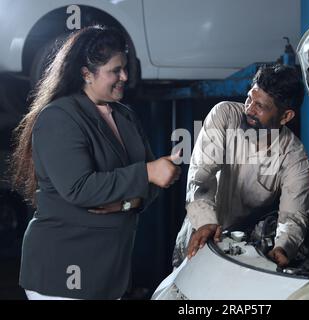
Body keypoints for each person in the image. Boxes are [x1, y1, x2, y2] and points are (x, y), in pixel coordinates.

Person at [10, 26, 181, 300]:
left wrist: (128, 201)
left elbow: (148, 187)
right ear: (86, 73)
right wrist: (147, 172)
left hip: (109, 269)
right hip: (64, 264)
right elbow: (79, 188)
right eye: (115, 70)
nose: (124, 77)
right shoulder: (59, 117)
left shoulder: (125, 116)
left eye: (125, 68)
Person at [172, 64, 309, 268]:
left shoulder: (294, 158)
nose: (248, 109)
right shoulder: (225, 115)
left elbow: (293, 214)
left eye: (260, 106)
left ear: (285, 116)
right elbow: (201, 174)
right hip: (200, 228)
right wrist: (204, 220)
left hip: (244, 248)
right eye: (249, 98)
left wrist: (283, 247)